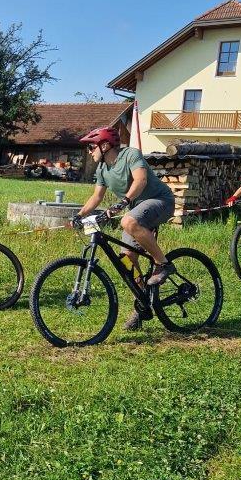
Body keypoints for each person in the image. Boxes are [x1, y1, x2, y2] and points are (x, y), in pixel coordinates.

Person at [74, 127, 176, 331]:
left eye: (91, 147)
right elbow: (97, 197)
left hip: (160, 201)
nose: (89, 151)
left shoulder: (130, 155)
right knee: (127, 261)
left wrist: (123, 202)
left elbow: (141, 180)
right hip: (137, 209)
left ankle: (163, 264)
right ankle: (142, 304)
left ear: (105, 145)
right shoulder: (102, 169)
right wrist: (79, 215)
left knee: (128, 221)